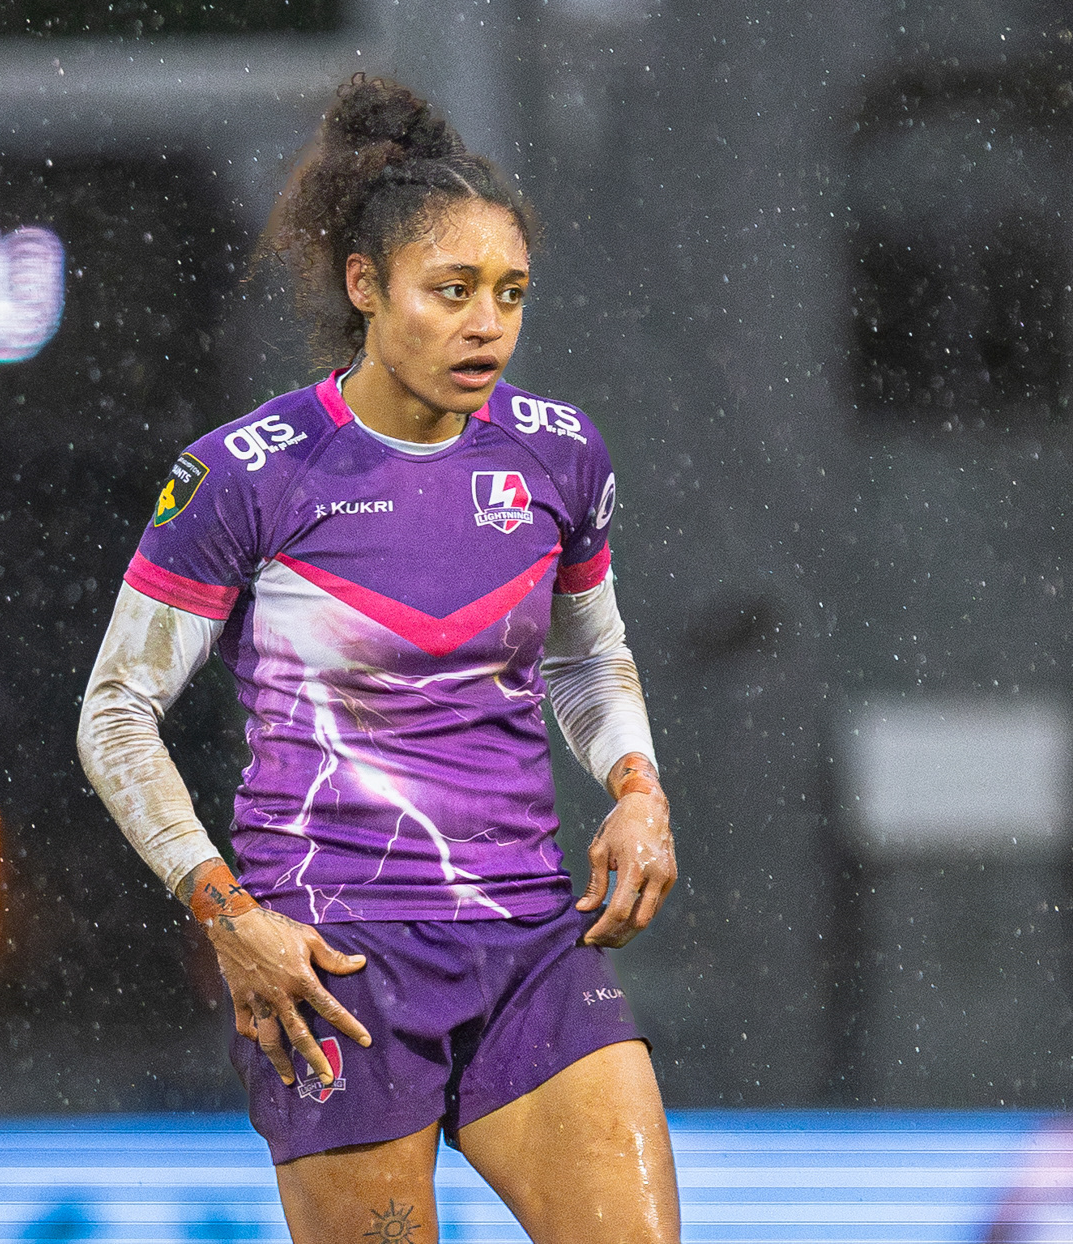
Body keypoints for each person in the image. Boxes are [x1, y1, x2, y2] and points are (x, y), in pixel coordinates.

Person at [77, 74, 681, 1244]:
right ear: (365, 286)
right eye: (451, 291)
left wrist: (637, 789)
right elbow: (115, 711)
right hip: (332, 960)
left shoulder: (558, 454)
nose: (486, 323)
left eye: (509, 293)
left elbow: (587, 658)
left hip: (527, 939)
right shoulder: (247, 472)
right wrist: (227, 914)